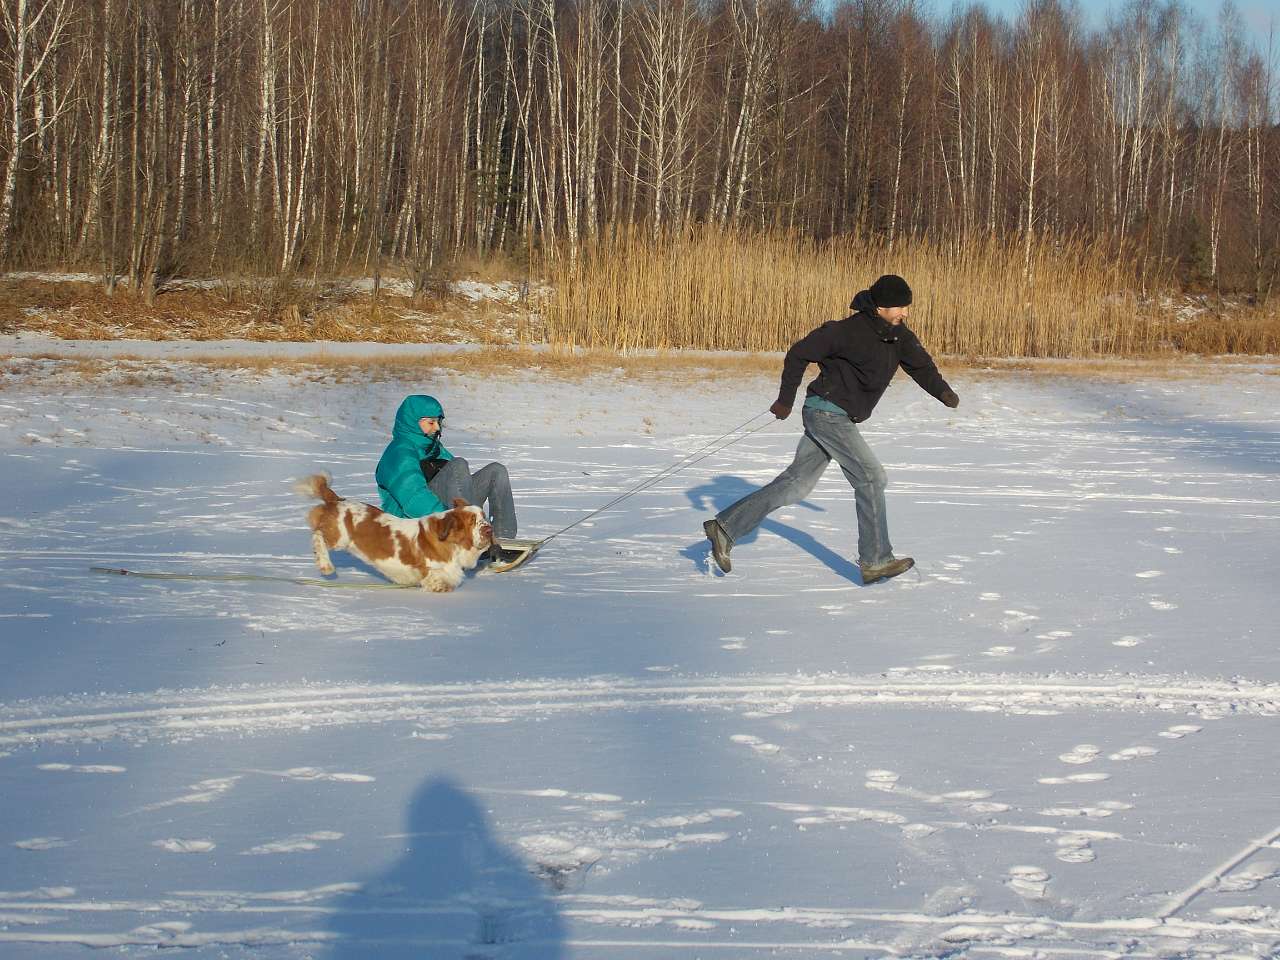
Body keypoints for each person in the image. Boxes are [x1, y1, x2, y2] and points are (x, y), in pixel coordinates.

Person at [702, 274, 959, 584]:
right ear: (880, 306)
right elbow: (798, 353)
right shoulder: (845, 331)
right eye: (899, 307)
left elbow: (922, 366)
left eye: (906, 307)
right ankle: (876, 560)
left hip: (838, 417)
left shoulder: (899, 336)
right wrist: (785, 400)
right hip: (826, 412)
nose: (905, 313)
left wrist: (943, 393)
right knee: (871, 477)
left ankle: (725, 528)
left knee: (796, 484)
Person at [375, 395, 519, 557]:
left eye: (438, 422)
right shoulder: (399, 453)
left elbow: (459, 484)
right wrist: (451, 520)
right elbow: (414, 500)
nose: (437, 428)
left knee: (496, 471)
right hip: (412, 530)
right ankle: (469, 536)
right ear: (413, 422)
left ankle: (502, 539)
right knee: (458, 465)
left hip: (448, 518)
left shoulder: (433, 448)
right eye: (431, 422)